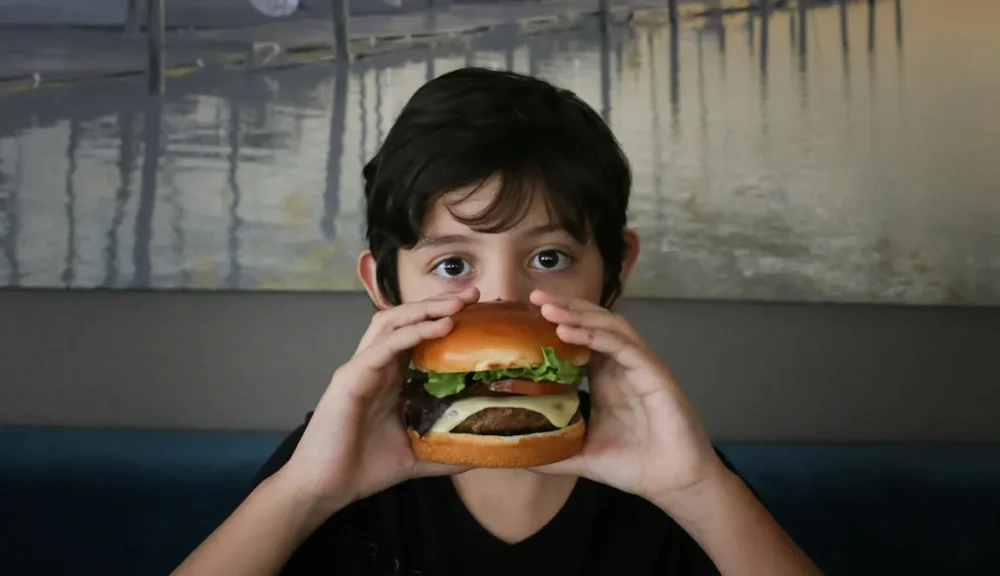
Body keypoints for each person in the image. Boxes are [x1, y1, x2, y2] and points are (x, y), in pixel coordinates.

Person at [174, 68, 821, 576]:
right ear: (385, 288)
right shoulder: (329, 457)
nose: (504, 299)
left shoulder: (671, 460)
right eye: (453, 264)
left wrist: (699, 492)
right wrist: (304, 496)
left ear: (614, 273)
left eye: (549, 257)